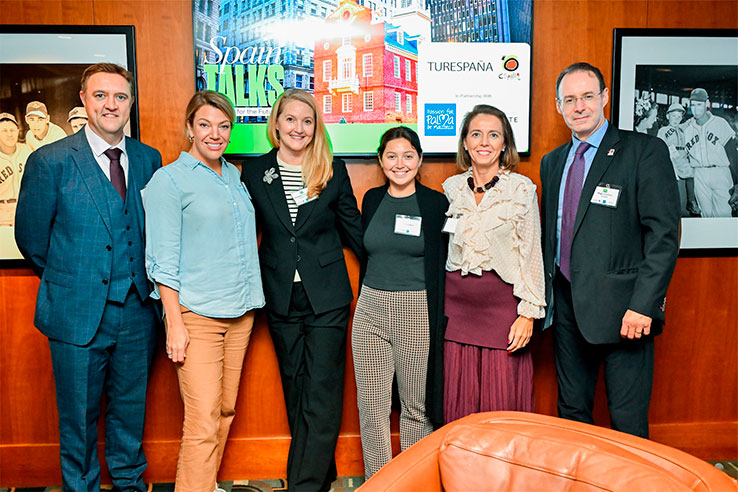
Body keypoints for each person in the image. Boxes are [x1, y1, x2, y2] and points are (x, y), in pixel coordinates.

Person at [15, 63, 161, 491]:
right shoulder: (51, 161)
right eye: (100, 95)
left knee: (130, 413)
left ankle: (129, 483)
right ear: (83, 99)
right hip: (75, 313)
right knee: (78, 419)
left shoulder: (148, 159)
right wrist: (76, 279)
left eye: (120, 96)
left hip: (137, 312)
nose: (111, 105)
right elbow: (32, 239)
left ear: (130, 103)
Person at [540, 62, 680, 438]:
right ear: (558, 106)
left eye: (588, 96)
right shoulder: (553, 163)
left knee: (627, 422)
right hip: (567, 309)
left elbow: (663, 236)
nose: (579, 106)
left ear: (604, 97)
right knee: (572, 414)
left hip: (626, 314)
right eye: (570, 99)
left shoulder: (643, 151)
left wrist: (644, 306)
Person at [241, 88, 362, 491]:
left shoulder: (332, 169)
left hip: (326, 296)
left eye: (307, 121)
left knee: (322, 391)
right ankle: (320, 477)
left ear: (316, 127)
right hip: (279, 295)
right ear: (276, 124)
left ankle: (303, 486)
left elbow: (354, 229)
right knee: (296, 389)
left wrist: (394, 268)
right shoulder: (254, 171)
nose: (299, 128)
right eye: (291, 119)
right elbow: (244, 235)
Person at [143, 90, 264, 492]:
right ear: (190, 129)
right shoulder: (169, 180)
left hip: (241, 312)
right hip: (197, 315)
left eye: (224, 126)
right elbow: (161, 259)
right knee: (202, 420)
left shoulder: (233, 176)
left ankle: (205, 485)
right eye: (206, 125)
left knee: (224, 412)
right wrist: (174, 323)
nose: (216, 134)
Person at [353, 126, 448, 478]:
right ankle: (378, 481)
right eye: (391, 156)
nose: (400, 163)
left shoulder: (435, 204)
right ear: (381, 161)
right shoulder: (372, 199)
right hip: (370, 308)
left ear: (420, 160)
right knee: (372, 408)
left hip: (416, 310)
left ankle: (411, 481)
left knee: (415, 408)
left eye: (408, 156)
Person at [442, 104, 545, 424]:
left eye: (493, 135)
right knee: (458, 412)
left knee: (500, 414)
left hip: (502, 316)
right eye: (476, 134)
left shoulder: (521, 189)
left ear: (504, 144)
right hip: (455, 316)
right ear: (465, 143)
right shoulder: (451, 189)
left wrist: (528, 314)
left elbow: (531, 253)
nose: (484, 142)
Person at [682, 88, 738, 217]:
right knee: (705, 215)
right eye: (693, 105)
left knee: (724, 214)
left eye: (699, 105)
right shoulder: (687, 128)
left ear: (707, 103)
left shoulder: (720, 123)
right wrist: (690, 197)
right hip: (699, 173)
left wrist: (737, 183)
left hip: (720, 172)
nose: (695, 109)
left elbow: (733, 155)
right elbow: (687, 161)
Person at [657, 103, 699, 216]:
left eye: (679, 117)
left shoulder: (682, 129)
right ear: (667, 116)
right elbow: (659, 146)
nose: (676, 119)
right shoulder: (663, 130)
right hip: (671, 159)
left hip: (683, 157)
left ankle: (691, 201)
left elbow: (692, 121)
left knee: (691, 174)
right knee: (678, 189)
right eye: (673, 116)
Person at [0, 112, 31, 226]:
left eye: (12, 130)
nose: (9, 134)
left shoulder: (27, 151)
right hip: (3, 215)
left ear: (18, 131)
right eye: (4, 131)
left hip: (26, 211)